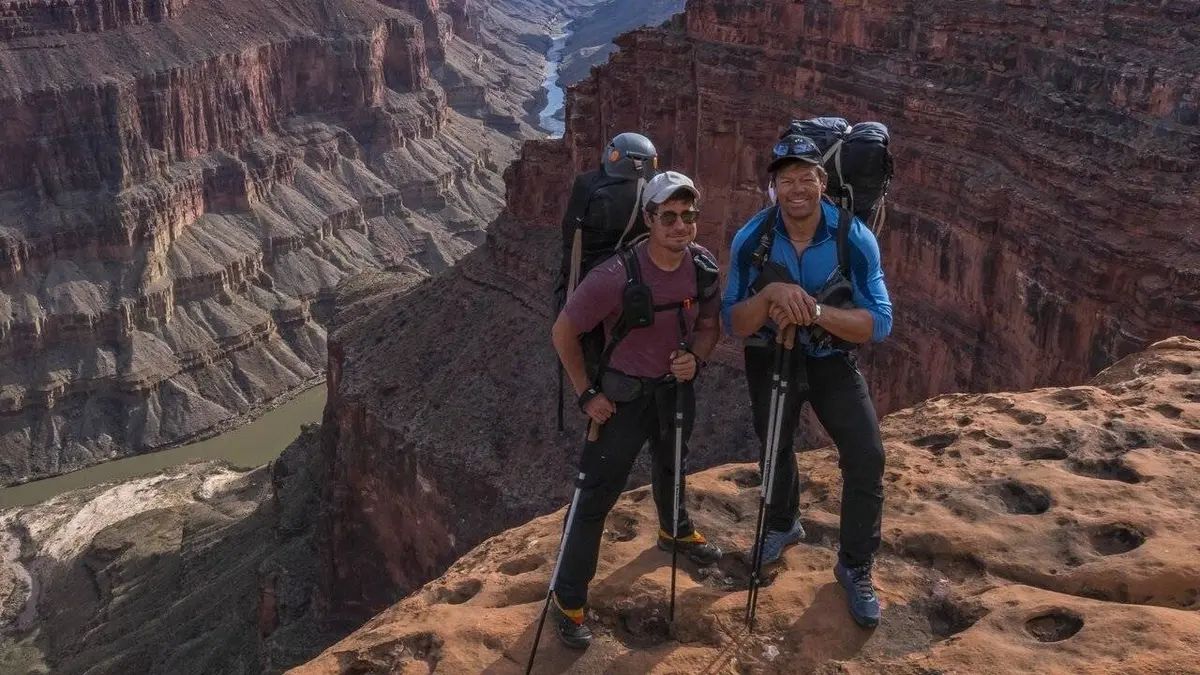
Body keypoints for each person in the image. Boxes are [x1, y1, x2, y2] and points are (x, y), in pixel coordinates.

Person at [722, 134, 893, 628]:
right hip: (771, 355)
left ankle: (856, 565)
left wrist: (815, 310)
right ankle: (782, 524)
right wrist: (774, 292)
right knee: (773, 445)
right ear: (772, 187)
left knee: (866, 456)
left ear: (822, 183)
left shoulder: (852, 237)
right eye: (785, 180)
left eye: (805, 178)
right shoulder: (752, 238)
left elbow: (879, 323)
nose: (796, 188)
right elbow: (735, 321)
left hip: (829, 359)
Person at [548, 170, 724, 648]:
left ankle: (675, 530)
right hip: (622, 402)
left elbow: (710, 325)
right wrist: (587, 394)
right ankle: (569, 601)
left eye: (688, 216)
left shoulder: (703, 266)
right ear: (649, 218)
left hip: (674, 392)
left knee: (673, 466)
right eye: (668, 216)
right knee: (593, 501)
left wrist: (698, 358)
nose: (680, 225)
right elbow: (563, 332)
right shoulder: (614, 275)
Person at [556, 132, 659, 380]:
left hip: (589, 283)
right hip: (639, 283)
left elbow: (570, 236)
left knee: (593, 358)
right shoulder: (652, 196)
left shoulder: (586, 186)